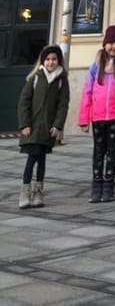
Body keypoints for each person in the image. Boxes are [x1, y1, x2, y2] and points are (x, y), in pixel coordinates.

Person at [78, 25, 115, 203]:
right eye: (110, 43)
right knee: (98, 151)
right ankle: (96, 185)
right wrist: (84, 118)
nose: (114, 47)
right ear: (105, 44)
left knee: (112, 151)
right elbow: (87, 91)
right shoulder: (97, 64)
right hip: (98, 116)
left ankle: (108, 185)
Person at [17, 45, 69, 209]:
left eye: (54, 59)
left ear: (58, 60)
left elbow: (63, 104)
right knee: (32, 157)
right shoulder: (36, 78)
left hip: (48, 128)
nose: (51, 62)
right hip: (32, 127)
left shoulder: (61, 80)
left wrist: (57, 125)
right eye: (47, 59)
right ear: (43, 61)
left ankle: (38, 191)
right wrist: (24, 124)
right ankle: (25, 191)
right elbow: (24, 102)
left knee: (42, 159)